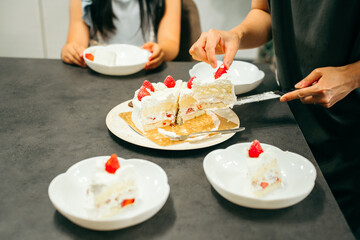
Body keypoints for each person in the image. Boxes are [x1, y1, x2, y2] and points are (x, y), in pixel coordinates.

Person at [189, 0, 360, 237]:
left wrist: (352, 75)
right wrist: (236, 34)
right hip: (292, 118)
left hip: (350, 135)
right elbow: (263, 12)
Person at [61, 0, 181, 70]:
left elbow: (171, 43)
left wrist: (161, 51)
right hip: (98, 77)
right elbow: (76, 43)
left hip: (147, 76)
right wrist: (71, 51)